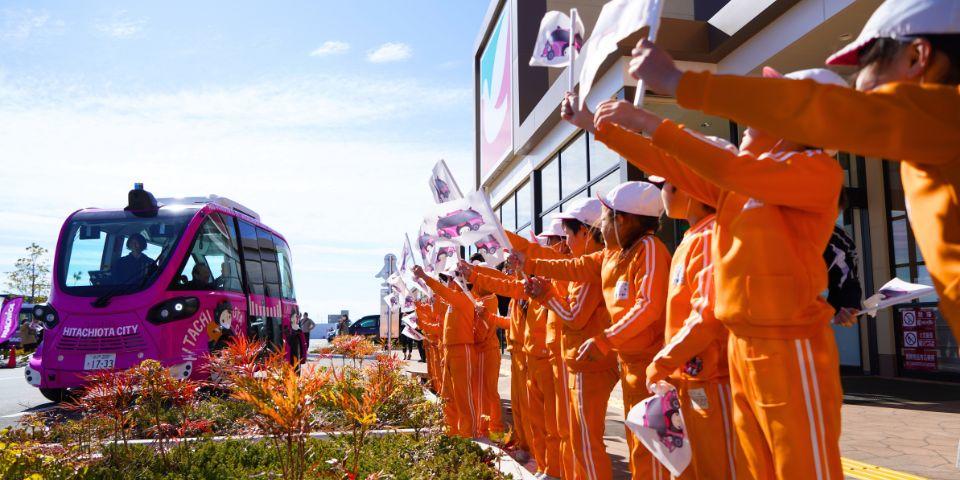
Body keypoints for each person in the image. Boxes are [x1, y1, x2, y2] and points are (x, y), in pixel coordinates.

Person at [563, 64, 847, 477]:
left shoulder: (816, 171)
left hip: (789, 343)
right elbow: (673, 163)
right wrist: (596, 125)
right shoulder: (743, 187)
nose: (752, 116)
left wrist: (646, 120)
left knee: (802, 468)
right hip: (744, 350)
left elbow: (725, 167)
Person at [627, 0, 960, 341]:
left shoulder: (946, 115)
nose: (858, 82)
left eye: (869, 62)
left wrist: (678, 82)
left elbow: (824, 112)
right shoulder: (932, 135)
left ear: (917, 56)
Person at [513, 181, 671, 480]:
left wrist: (604, 339)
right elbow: (574, 267)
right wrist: (530, 262)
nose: (602, 225)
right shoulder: (614, 253)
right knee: (638, 443)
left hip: (650, 365)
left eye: (607, 217)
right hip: (630, 363)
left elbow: (648, 306)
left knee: (650, 448)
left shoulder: (648, 250)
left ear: (622, 219)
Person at [645, 178, 739, 479]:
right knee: (695, 463)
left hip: (713, 376)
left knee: (719, 464)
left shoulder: (711, 234)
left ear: (687, 189)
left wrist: (664, 360)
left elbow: (706, 314)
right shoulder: (692, 236)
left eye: (665, 184)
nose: (661, 194)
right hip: (691, 376)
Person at [521, 200, 621, 480]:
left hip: (589, 364)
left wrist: (545, 296)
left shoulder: (590, 272)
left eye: (566, 235)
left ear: (586, 233)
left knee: (584, 442)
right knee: (578, 440)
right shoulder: (585, 267)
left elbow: (574, 316)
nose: (563, 243)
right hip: (579, 361)